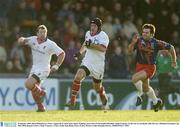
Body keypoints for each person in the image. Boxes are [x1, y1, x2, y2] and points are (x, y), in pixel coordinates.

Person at [128, 24, 177, 112]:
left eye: (147, 32)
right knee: (146, 88)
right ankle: (156, 101)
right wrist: (133, 42)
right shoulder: (138, 41)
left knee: (134, 78)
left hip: (149, 67)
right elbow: (129, 52)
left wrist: (174, 61)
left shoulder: (157, 43)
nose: (144, 34)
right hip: (139, 66)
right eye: (143, 32)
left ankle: (140, 94)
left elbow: (171, 48)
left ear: (152, 34)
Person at [18, 25, 65, 112]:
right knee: (33, 90)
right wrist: (21, 39)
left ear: (46, 33)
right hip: (34, 68)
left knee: (28, 84)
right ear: (37, 33)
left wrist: (57, 65)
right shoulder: (33, 39)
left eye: (44, 32)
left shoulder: (51, 44)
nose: (42, 34)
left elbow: (62, 53)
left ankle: (42, 93)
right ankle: (40, 107)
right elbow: (23, 40)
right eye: (41, 32)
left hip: (44, 69)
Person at [65, 17, 110, 110]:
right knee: (78, 76)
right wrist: (79, 52)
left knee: (97, 88)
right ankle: (72, 99)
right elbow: (86, 43)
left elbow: (103, 49)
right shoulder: (87, 33)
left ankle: (104, 99)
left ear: (99, 27)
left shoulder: (103, 36)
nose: (92, 28)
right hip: (88, 61)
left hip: (98, 65)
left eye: (94, 26)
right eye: (91, 25)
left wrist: (91, 45)